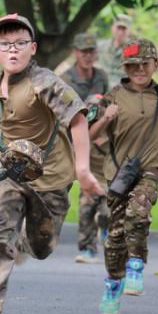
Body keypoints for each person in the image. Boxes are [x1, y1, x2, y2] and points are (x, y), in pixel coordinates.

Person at [0, 13, 101, 314]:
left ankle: (24, 242)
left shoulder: (45, 82)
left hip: (50, 178)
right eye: (4, 44)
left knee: (42, 246)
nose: (12, 50)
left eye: (20, 43)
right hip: (9, 173)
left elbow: (78, 118)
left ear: (33, 48)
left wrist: (83, 170)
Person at [89, 38, 158, 314]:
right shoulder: (113, 96)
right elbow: (90, 134)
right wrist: (106, 118)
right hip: (118, 173)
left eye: (145, 64)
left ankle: (135, 265)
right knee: (115, 236)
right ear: (124, 67)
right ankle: (114, 282)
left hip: (151, 167)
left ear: (155, 64)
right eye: (132, 65)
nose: (139, 70)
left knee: (138, 212)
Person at [61, 32, 111, 263]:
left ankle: (90, 245)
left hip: (97, 142)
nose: (88, 56)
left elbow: (106, 107)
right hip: (69, 142)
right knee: (59, 194)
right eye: (84, 52)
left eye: (91, 52)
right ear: (75, 53)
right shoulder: (65, 80)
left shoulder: (101, 77)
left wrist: (101, 132)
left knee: (92, 195)